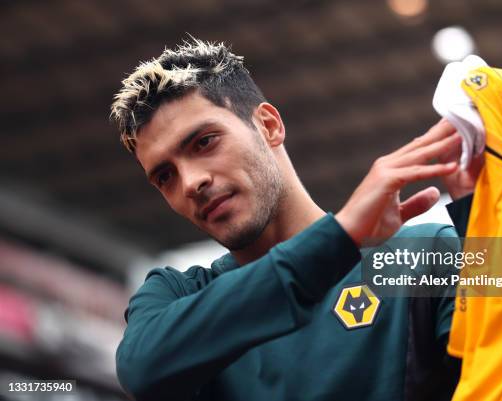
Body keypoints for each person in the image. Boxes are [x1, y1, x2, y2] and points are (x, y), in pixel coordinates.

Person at [110, 38, 481, 401]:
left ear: (268, 126)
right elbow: (140, 370)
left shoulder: (425, 256)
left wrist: (486, 213)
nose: (191, 182)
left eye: (204, 142)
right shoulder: (176, 295)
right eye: (165, 177)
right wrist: (340, 238)